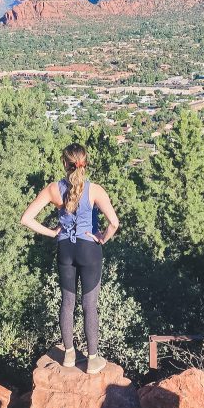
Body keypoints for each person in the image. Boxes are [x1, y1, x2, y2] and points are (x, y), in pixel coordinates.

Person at [20, 143, 120, 374]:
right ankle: (93, 359)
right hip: (89, 249)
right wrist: (102, 237)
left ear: (65, 164)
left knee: (67, 302)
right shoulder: (95, 190)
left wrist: (53, 232)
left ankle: (68, 354)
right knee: (89, 305)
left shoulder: (53, 189)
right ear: (85, 162)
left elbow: (26, 219)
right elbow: (114, 223)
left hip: (65, 249)